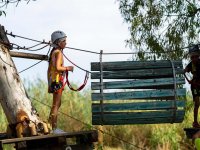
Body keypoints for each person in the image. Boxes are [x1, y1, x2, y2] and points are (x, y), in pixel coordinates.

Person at [47, 31, 73, 133]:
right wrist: (68, 68)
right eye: (64, 41)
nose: (66, 43)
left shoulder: (54, 52)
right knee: (56, 104)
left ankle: (50, 125)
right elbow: (58, 67)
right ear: (58, 42)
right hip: (57, 81)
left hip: (53, 80)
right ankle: (54, 128)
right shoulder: (59, 53)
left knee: (57, 103)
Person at [184, 44, 200, 128]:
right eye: (192, 57)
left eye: (195, 57)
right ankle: (195, 122)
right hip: (195, 86)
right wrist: (189, 80)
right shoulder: (191, 65)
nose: (194, 59)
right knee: (197, 104)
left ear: (198, 56)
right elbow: (184, 71)